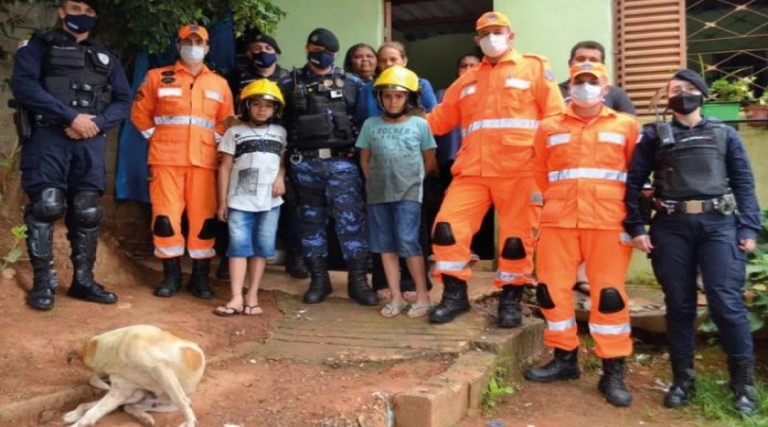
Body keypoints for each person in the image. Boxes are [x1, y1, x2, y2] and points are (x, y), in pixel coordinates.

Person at [624, 69, 761, 415]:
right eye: (674, 90)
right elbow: (633, 184)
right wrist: (637, 227)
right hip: (671, 227)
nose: (681, 94)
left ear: (702, 94)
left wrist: (748, 229)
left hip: (719, 226)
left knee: (725, 302)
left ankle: (743, 385)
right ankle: (682, 380)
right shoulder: (653, 135)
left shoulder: (725, 133)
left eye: (687, 89)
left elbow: (744, 184)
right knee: (680, 306)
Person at [426, 11, 565, 326]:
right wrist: (407, 117)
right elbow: (439, 120)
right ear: (477, 40)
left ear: (510, 35)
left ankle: (511, 300)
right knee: (446, 230)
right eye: (485, 33)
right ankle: (454, 295)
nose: (492, 37)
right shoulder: (467, 79)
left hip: (521, 169)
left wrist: (553, 168)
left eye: (498, 31)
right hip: (472, 169)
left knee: (516, 241)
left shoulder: (535, 68)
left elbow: (555, 119)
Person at [524, 62, 638, 407]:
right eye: (579, 82)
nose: (585, 87)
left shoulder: (627, 126)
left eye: (593, 82)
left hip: (607, 222)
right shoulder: (547, 127)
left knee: (609, 296)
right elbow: (539, 172)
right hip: (559, 221)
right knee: (551, 292)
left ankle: (612, 371)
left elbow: (637, 176)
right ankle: (564, 359)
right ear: (569, 88)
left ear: (605, 90)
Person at [10, 0, 131, 310]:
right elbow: (24, 87)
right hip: (48, 137)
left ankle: (83, 281)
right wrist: (70, 117)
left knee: (87, 211)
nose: (83, 15)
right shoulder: (37, 47)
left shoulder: (105, 57)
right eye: (76, 7)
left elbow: (122, 99)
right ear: (62, 12)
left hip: (90, 139)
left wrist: (96, 124)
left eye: (90, 11)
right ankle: (43, 282)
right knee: (46, 206)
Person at [131, 24, 234, 299]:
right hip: (166, 161)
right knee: (166, 219)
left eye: (199, 43)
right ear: (178, 46)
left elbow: (227, 123)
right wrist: (159, 139)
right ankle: (171, 277)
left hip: (204, 162)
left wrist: (212, 143)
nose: (193, 47)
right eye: (188, 42)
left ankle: (200, 279)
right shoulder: (156, 77)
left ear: (208, 48)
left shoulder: (219, 84)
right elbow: (139, 114)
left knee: (204, 222)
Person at [279, 28, 377, 306]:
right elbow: (281, 129)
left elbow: (366, 126)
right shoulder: (288, 84)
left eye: (329, 52)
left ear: (335, 54)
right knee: (310, 225)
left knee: (351, 224)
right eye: (316, 49)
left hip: (343, 164)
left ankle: (358, 282)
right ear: (307, 48)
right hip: (304, 164)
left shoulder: (353, 84)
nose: (322, 55)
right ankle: (319, 281)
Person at [354, 41, 439, 304]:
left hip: (409, 188)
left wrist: (415, 179)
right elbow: (364, 157)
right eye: (383, 60)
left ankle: (419, 288)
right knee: (384, 241)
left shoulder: (420, 105)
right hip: (379, 187)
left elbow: (429, 156)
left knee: (409, 238)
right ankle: (391, 291)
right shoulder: (370, 114)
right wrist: (374, 179)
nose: (392, 100)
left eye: (394, 59)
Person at [223, 32, 308, 281]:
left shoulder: (288, 78)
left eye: (268, 47)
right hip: (247, 151)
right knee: (239, 209)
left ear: (277, 52)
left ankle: (294, 256)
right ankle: (231, 258)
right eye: (256, 47)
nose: (262, 51)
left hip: (281, 148)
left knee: (286, 206)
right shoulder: (239, 76)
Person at [558, 40, 636, 297]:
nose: (587, 63)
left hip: (604, 183)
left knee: (599, 237)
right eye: (580, 58)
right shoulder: (555, 91)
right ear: (570, 64)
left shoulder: (617, 95)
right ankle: (564, 278)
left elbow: (631, 137)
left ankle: (590, 278)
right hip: (563, 179)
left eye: (594, 58)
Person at [214, 79, 286, 317]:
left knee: (262, 248)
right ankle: (235, 296)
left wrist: (280, 178)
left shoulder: (280, 133)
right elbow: (224, 167)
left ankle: (252, 295)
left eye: (268, 105)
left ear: (276, 109)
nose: (262, 109)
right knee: (238, 247)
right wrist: (222, 202)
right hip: (239, 200)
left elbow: (281, 162)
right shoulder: (234, 132)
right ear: (247, 106)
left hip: (270, 200)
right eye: (256, 104)